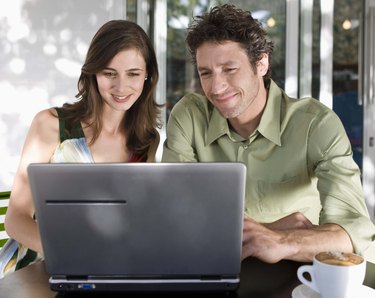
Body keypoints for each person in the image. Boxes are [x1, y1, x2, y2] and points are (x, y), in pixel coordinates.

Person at [162, 4, 375, 263]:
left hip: (296, 274)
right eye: (206, 73)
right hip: (215, 265)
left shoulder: (315, 124)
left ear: (261, 63)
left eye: (230, 69)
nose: (216, 87)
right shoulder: (189, 116)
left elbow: (352, 234)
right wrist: (271, 229)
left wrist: (280, 240)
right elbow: (175, 216)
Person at [2, 19, 162, 277]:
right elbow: (16, 219)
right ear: (93, 73)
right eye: (109, 73)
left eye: (132, 74)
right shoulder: (51, 125)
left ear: (148, 75)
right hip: (30, 271)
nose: (121, 87)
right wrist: (76, 253)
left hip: (101, 272)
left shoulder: (146, 140)